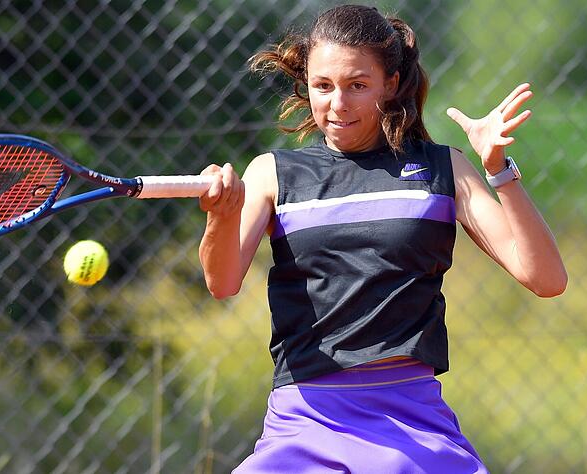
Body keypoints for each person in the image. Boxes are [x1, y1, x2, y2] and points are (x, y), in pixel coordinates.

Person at [197, 4, 567, 473]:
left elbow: (546, 278)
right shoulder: (273, 174)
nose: (337, 104)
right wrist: (221, 217)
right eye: (323, 86)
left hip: (413, 421)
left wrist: (498, 170)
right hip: (305, 419)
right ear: (306, 83)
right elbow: (222, 281)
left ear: (390, 84)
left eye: (357, 85)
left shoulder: (442, 168)